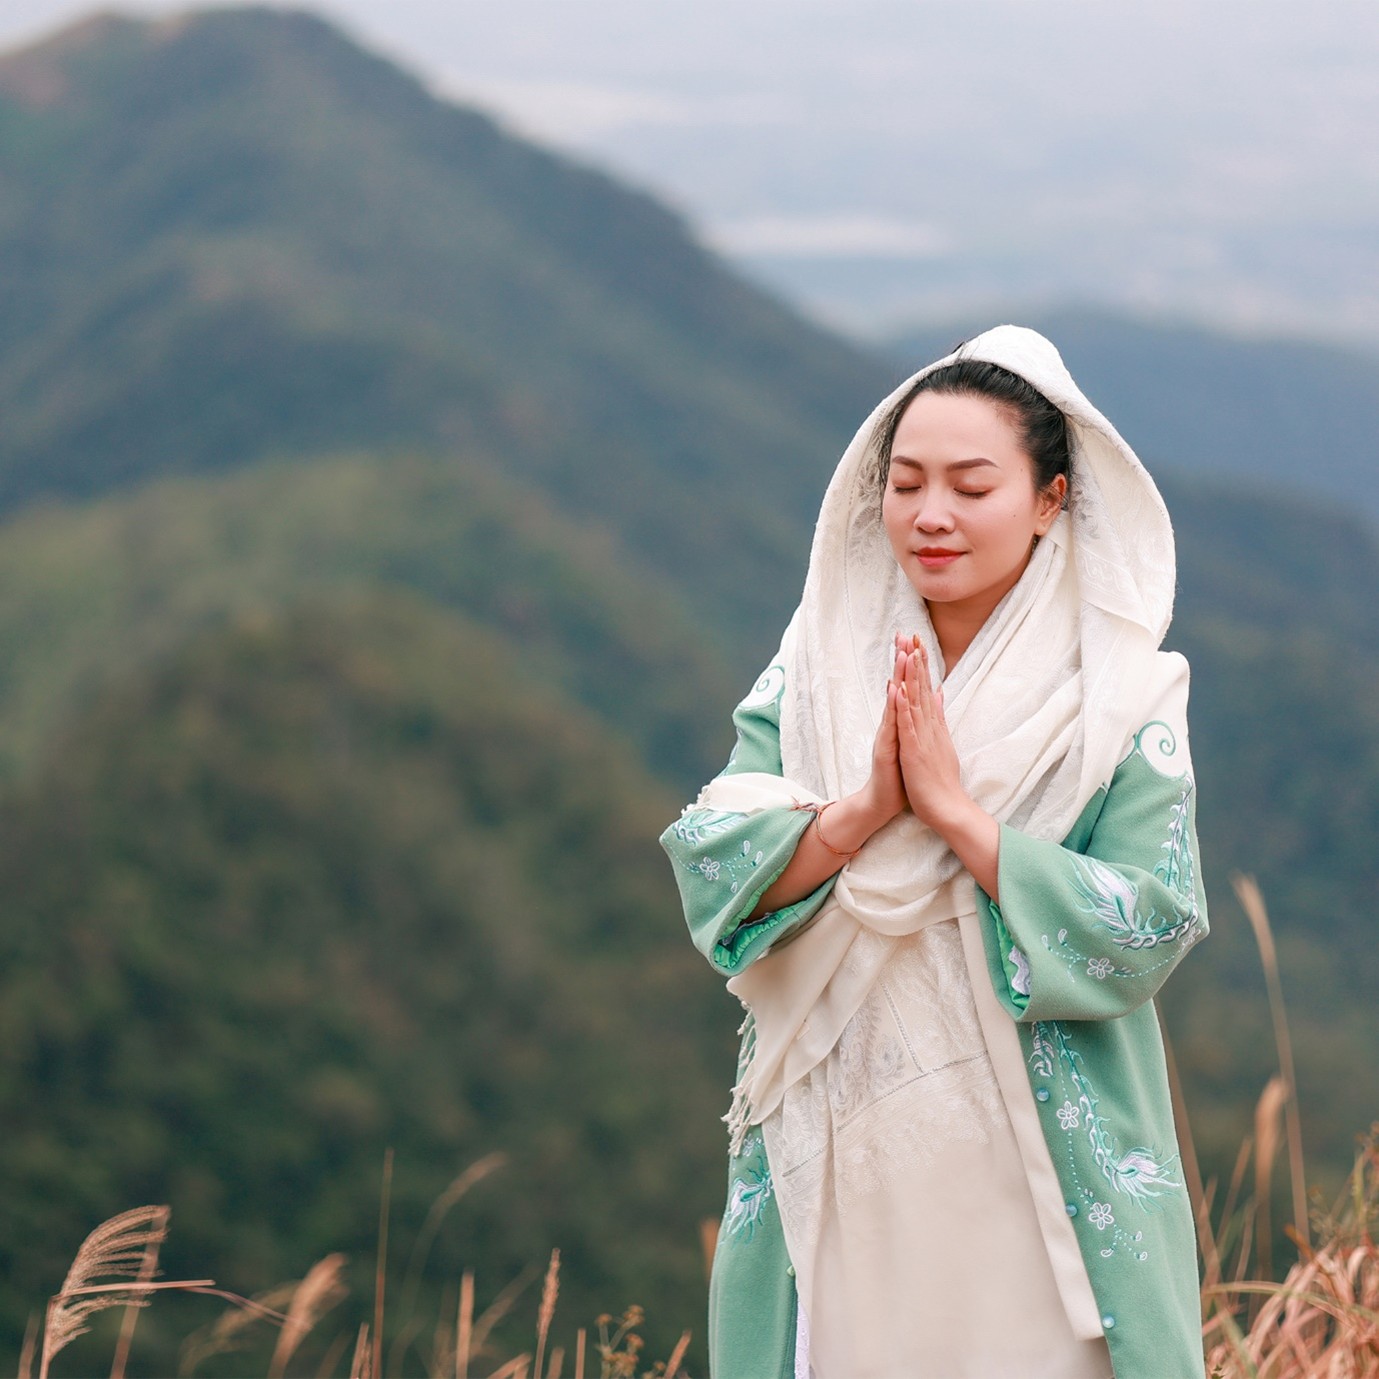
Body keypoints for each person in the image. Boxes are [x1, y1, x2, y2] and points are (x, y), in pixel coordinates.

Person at [661, 325, 1208, 1379]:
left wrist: (960, 817)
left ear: (1050, 499)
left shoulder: (1121, 695)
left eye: (971, 484)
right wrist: (865, 807)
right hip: (838, 1138)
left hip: (1032, 1164)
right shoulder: (818, 668)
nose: (930, 514)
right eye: (905, 483)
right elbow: (716, 863)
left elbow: (1146, 922)